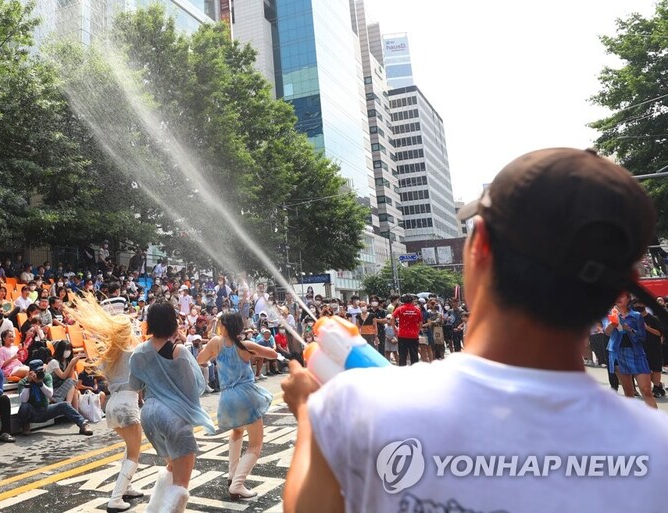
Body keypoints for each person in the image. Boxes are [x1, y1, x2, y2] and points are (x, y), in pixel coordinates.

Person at [281, 148, 668, 512]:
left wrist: (307, 414)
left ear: (479, 245)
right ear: (624, 285)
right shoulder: (657, 453)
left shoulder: (353, 404)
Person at [129, 301, 215, 513]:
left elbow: (135, 385)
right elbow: (195, 387)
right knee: (181, 484)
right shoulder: (180, 352)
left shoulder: (138, 352)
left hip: (149, 415)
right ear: (172, 323)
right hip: (173, 418)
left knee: (172, 467)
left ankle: (155, 508)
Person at [70, 296, 145, 512]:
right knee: (135, 453)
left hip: (112, 406)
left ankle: (127, 486)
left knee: (130, 449)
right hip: (127, 405)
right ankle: (115, 497)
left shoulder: (107, 356)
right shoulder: (134, 354)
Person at [197, 312, 276, 501]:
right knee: (255, 445)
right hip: (246, 395)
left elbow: (200, 359)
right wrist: (255, 353)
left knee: (237, 432)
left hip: (227, 397)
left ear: (224, 326)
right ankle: (237, 484)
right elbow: (272, 354)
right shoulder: (245, 346)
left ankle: (232, 475)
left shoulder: (215, 343)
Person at [603, 295, 656, 407]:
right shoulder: (610, 314)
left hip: (636, 353)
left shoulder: (636, 316)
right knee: (629, 393)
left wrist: (629, 329)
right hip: (617, 353)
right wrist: (612, 325)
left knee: (646, 390)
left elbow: (642, 337)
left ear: (628, 299)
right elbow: (606, 333)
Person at [16, 359, 93, 437]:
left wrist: (40, 383)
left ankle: (83, 424)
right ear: (31, 372)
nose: (40, 373)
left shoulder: (46, 377)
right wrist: (28, 384)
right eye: (37, 371)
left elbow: (50, 394)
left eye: (41, 370)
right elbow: (23, 400)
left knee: (64, 405)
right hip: (32, 412)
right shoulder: (23, 382)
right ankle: (25, 426)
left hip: (45, 409)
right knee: (24, 406)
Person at [391, 294, 423, 366]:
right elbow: (420, 322)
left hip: (402, 335)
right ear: (412, 301)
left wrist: (394, 328)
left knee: (402, 356)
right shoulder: (417, 310)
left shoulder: (400, 309)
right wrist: (417, 330)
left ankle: (403, 371)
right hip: (414, 335)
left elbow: (392, 318)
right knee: (414, 355)